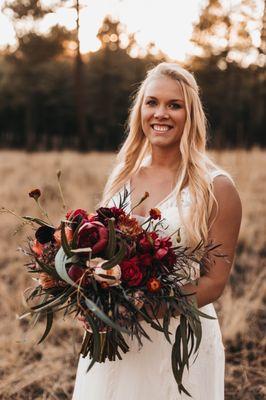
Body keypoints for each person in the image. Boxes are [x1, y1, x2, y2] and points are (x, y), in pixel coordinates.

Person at [72, 62, 242, 399]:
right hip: (115, 339)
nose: (160, 113)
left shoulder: (216, 187)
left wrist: (141, 310)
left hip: (178, 340)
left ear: (190, 113)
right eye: (152, 102)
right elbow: (100, 253)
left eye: (174, 105)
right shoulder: (123, 174)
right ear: (140, 110)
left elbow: (214, 282)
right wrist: (89, 299)